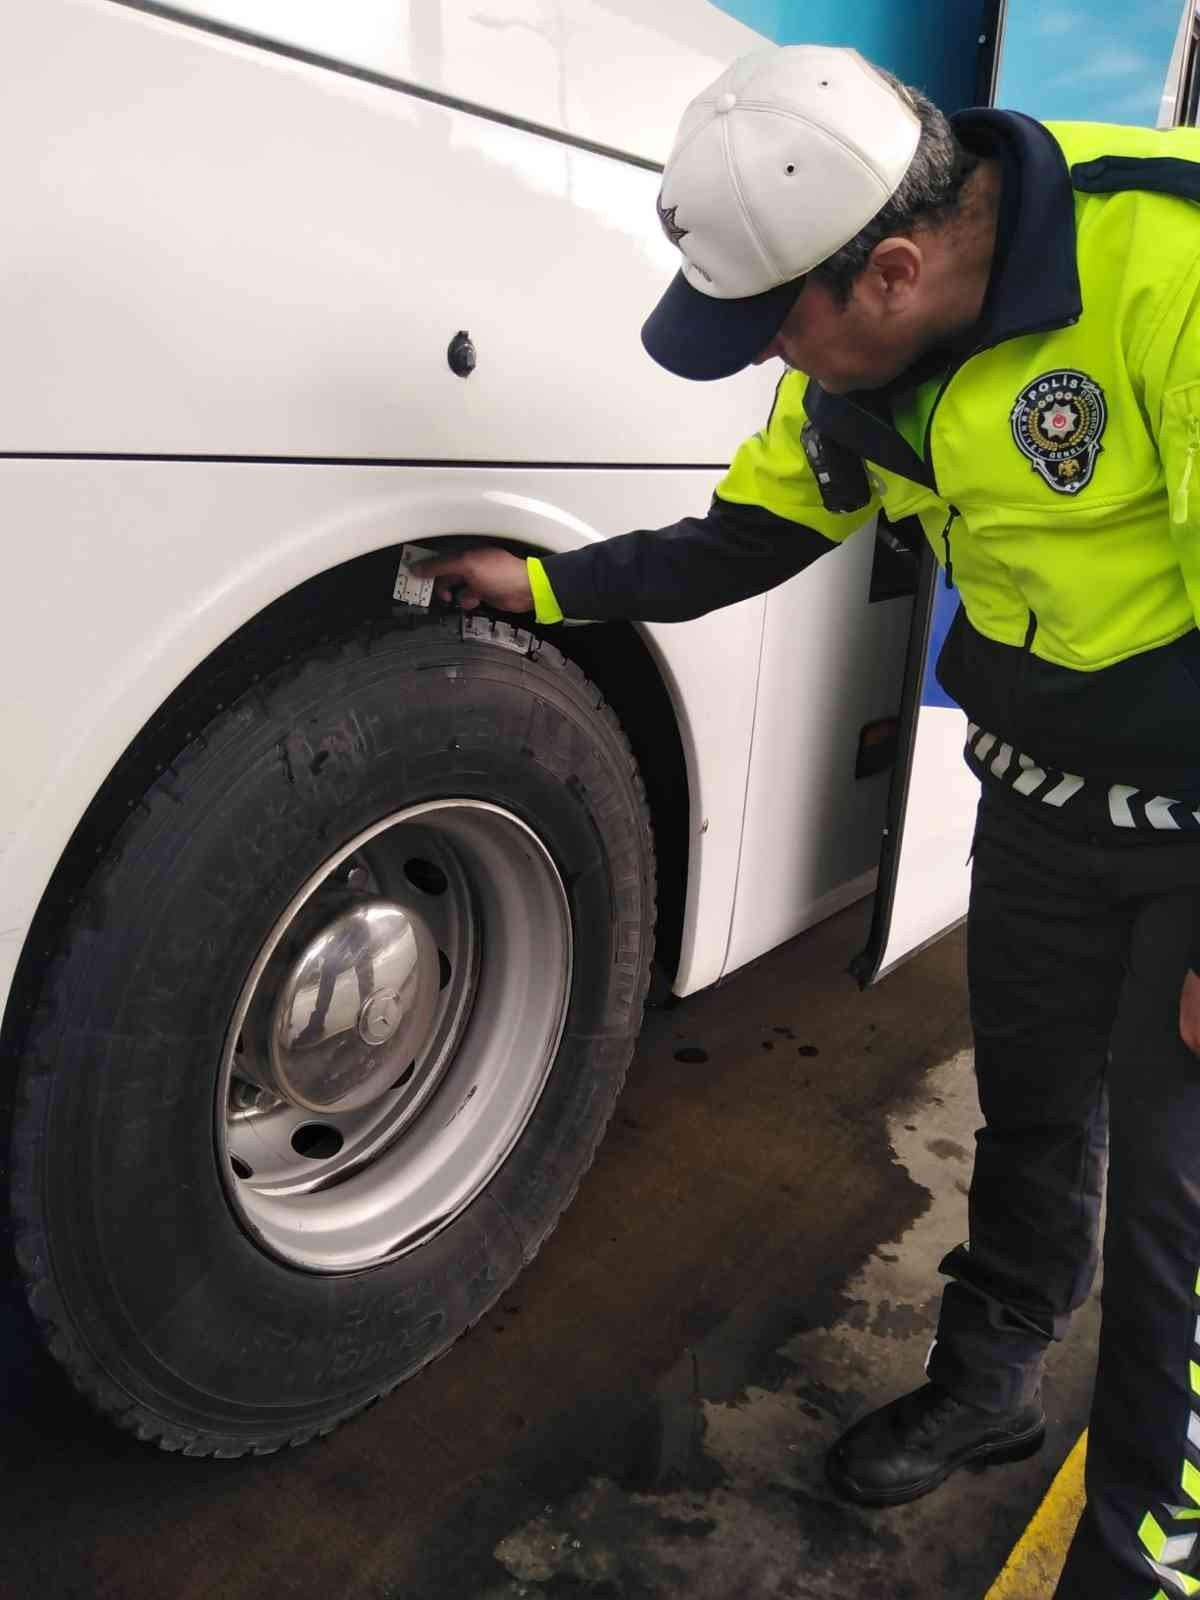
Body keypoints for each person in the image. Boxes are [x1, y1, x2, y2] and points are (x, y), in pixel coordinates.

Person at [415, 43, 1200, 1598]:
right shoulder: (862, 365)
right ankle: (987, 1387)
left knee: (1179, 1221)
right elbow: (752, 532)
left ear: (893, 270)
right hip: (1044, 795)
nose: (776, 354)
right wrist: (551, 587)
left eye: (782, 322)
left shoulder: (1166, 262)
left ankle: (1143, 1554)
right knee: (1036, 1124)